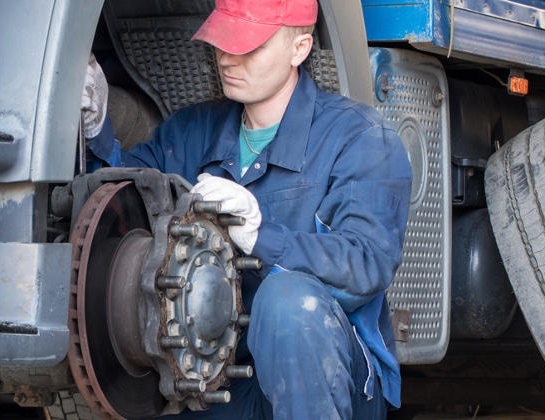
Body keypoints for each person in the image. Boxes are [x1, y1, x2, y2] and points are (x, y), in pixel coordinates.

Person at [79, 0, 412, 418]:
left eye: (248, 45)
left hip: (325, 378)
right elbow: (114, 213)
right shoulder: (191, 132)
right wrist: (96, 133)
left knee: (288, 301)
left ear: (300, 48)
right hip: (223, 382)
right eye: (223, 41)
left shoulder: (361, 139)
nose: (227, 57)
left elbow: (365, 265)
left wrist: (260, 236)